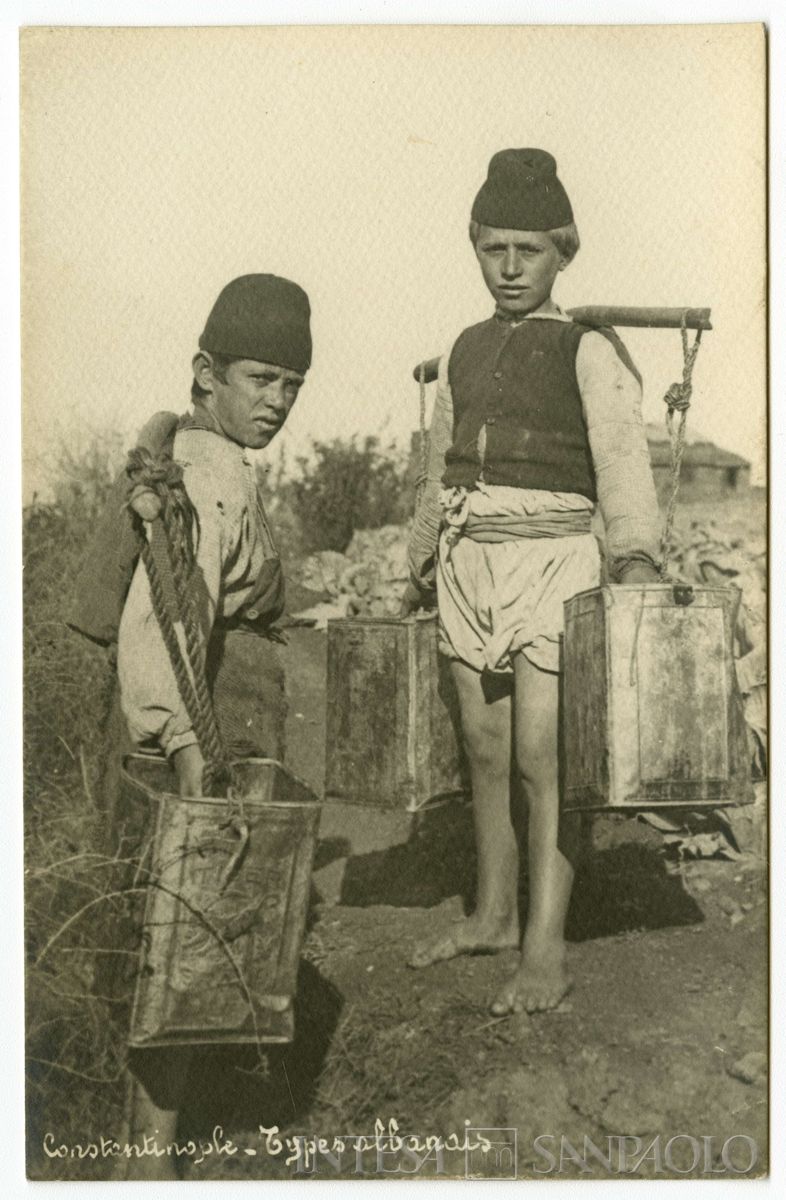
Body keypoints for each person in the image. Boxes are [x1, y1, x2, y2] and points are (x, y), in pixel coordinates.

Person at [403, 149, 661, 1016]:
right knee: (484, 750)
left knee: (542, 757)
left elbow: (622, 460)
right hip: (469, 563)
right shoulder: (463, 349)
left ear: (563, 252)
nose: (510, 268)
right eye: (494, 250)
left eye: (530, 251)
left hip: (554, 564)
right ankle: (493, 915)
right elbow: (439, 468)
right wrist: (420, 557)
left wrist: (633, 557)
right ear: (474, 247)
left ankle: (546, 946)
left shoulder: (587, 350)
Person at [68, 272, 312, 1177]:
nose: (277, 401)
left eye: (292, 384)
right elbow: (165, 618)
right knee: (189, 930)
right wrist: (184, 747)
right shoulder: (207, 478)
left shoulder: (194, 457)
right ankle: (151, 1160)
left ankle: (150, 1143)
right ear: (208, 373)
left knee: (161, 930)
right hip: (199, 735)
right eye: (260, 379)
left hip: (184, 727)